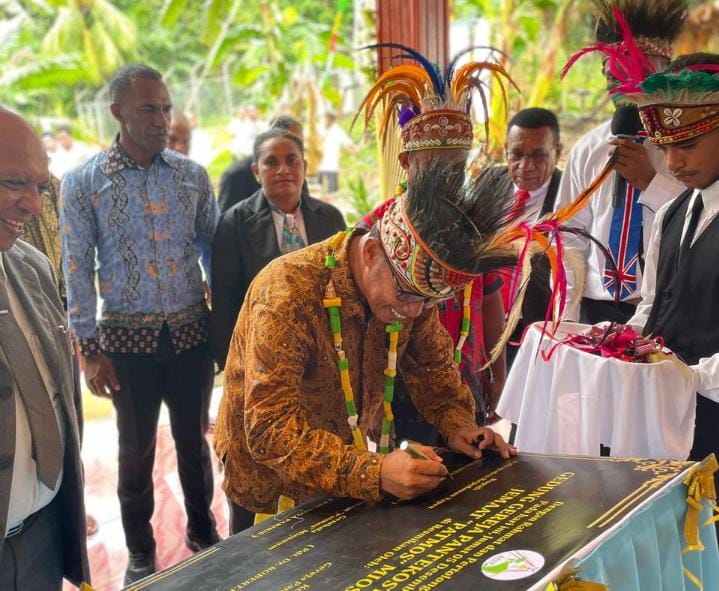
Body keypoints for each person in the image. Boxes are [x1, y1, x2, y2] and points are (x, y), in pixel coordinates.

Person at [214, 154, 519, 535]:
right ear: (373, 253)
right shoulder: (287, 292)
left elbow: (434, 373)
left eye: (428, 303)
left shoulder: (412, 293)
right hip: (269, 485)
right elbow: (269, 430)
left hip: (343, 473)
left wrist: (460, 427)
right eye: (406, 295)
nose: (414, 312)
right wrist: (374, 471)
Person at [60, 63, 220, 584]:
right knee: (134, 453)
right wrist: (88, 349)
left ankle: (204, 533)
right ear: (118, 112)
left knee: (195, 445)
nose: (161, 120)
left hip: (191, 336)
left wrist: (222, 323)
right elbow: (76, 267)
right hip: (125, 347)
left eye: (166, 109)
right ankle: (140, 552)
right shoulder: (85, 183)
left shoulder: (192, 176)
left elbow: (213, 250)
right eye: (149, 109)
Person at [355, 46, 518, 434]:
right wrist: (368, 397)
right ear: (407, 163)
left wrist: (498, 374)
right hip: (394, 387)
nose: (446, 177)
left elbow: (491, 302)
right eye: (434, 165)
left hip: (463, 381)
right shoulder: (374, 231)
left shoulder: (476, 227)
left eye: (455, 167)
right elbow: (356, 318)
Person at [619, 52, 719, 489]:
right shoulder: (670, 213)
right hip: (666, 414)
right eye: (664, 148)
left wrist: (689, 378)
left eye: (688, 145)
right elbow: (652, 305)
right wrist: (618, 344)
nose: (673, 162)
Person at [0, 106, 89, 589]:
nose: (33, 206)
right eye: (14, 184)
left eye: (40, 186)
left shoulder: (32, 266)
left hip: (41, 539)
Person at [555, 0, 687, 324]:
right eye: (614, 76)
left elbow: (702, 221)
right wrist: (567, 319)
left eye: (641, 74)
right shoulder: (587, 149)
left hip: (665, 309)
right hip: (594, 308)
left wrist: (651, 184)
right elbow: (569, 237)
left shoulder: (689, 145)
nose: (626, 89)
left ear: (666, 73)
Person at [211, 128, 345, 373]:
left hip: (323, 351)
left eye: (291, 160)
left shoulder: (329, 218)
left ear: (304, 166)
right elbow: (225, 301)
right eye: (272, 162)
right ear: (256, 171)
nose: (283, 169)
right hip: (261, 355)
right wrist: (234, 365)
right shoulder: (234, 223)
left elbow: (344, 286)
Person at [492, 107, 563, 365]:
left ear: (558, 152)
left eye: (538, 155)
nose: (526, 166)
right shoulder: (490, 182)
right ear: (505, 150)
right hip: (488, 322)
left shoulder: (570, 195)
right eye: (517, 154)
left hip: (537, 330)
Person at [218, 114, 306, 213]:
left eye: (300, 145)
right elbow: (227, 219)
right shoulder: (236, 175)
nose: (284, 170)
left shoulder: (296, 172)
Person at [318, 111, 353, 193]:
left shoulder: (337, 131)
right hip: (317, 166)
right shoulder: (317, 129)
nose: (327, 120)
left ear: (332, 119)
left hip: (332, 166)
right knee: (315, 190)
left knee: (333, 191)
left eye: (329, 118)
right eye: (325, 117)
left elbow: (347, 142)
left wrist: (354, 148)